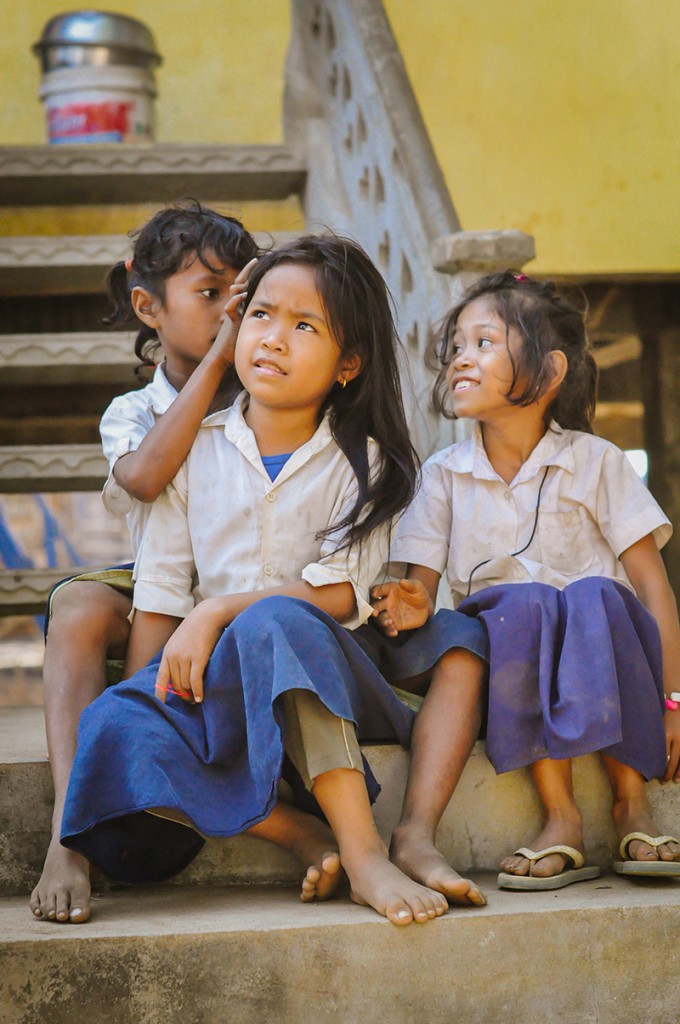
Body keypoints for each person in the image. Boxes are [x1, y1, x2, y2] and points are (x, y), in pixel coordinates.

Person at [59, 235, 488, 926]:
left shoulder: (368, 463)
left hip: (329, 674)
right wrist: (153, 697)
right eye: (260, 315)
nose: (273, 339)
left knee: (275, 621)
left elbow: (342, 595)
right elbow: (164, 585)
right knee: (113, 722)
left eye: (305, 326)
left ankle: (364, 852)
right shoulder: (194, 449)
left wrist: (217, 612)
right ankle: (295, 831)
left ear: (349, 363)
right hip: (227, 684)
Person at [371, 270, 680, 891]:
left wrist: (675, 700)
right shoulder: (444, 475)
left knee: (596, 592)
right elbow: (422, 595)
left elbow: (653, 590)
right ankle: (560, 814)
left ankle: (630, 803)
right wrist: (405, 602)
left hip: (613, 654)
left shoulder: (596, 461)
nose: (462, 357)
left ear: (549, 372)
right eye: (456, 344)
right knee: (523, 604)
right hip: (511, 659)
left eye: (484, 342)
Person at [30, 201, 258, 924]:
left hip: (241, 593)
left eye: (240, 296)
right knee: (76, 606)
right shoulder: (132, 410)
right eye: (210, 293)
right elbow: (145, 477)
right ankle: (70, 836)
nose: (231, 312)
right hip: (155, 591)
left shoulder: (271, 391)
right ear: (146, 306)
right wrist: (222, 352)